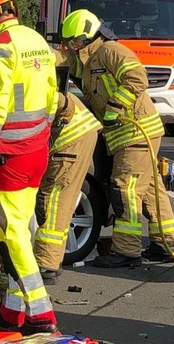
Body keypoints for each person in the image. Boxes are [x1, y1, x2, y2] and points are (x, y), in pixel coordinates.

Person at [0, 0, 59, 334]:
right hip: (36, 149)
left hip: (6, 154)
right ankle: (12, 311)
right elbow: (52, 97)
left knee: (12, 235)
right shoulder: (35, 40)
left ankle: (41, 314)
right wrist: (39, 135)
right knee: (22, 227)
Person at [57, 9, 174, 267]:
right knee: (150, 190)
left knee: (125, 188)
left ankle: (126, 250)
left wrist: (114, 107)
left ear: (89, 36)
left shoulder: (110, 51)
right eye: (70, 43)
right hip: (125, 134)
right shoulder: (86, 59)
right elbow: (61, 60)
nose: (73, 47)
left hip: (135, 130)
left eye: (76, 41)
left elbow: (137, 78)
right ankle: (164, 244)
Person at [33, 90, 102, 284]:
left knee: (53, 201)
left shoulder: (28, 85)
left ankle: (46, 264)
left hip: (70, 140)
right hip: (78, 134)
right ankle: (50, 260)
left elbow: (63, 104)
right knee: (57, 200)